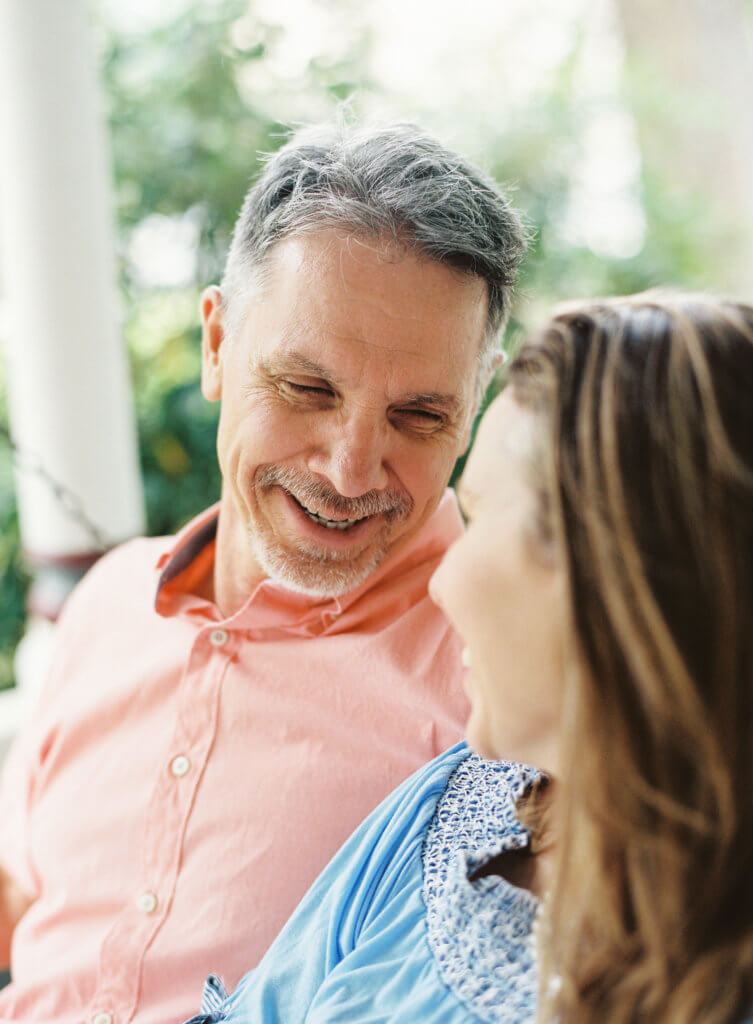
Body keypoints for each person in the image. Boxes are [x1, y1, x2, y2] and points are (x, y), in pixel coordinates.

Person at [0, 120, 527, 1024]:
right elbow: (14, 891)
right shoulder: (113, 598)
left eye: (419, 416)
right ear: (216, 345)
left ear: (476, 403)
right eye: (306, 390)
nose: (351, 470)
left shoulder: (508, 679)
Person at [185, 292, 753, 1024]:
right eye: (308, 388)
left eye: (481, 518)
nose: (441, 581)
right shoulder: (445, 808)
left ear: (624, 582)